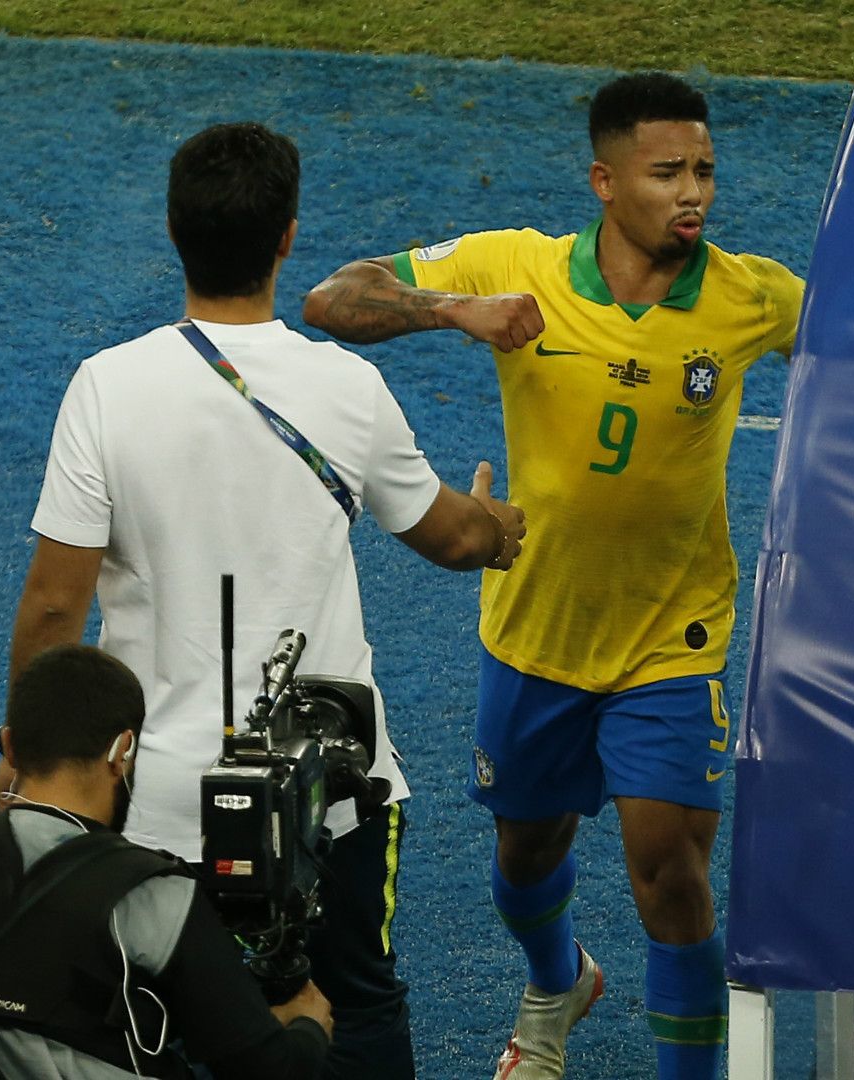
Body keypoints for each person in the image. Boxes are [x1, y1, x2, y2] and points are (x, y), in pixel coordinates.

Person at [302, 72, 805, 1080]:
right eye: (666, 172)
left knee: (671, 874)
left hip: (675, 637)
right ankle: (557, 980)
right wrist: (455, 310)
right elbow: (332, 298)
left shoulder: (751, 295)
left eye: (704, 169)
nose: (692, 191)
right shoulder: (519, 266)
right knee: (525, 860)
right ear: (604, 181)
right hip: (537, 631)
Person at [5, 121, 526, 1079]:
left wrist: (32, 762)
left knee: (154, 1019)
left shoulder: (104, 389)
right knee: (359, 1004)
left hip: (154, 800)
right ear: (287, 237)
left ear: (174, 231)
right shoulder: (348, 387)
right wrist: (501, 526)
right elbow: (452, 537)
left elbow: (51, 611)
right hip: (328, 792)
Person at [0, 644, 333, 1078]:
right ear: (122, 751)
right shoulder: (158, 894)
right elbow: (265, 1070)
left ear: (10, 746)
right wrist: (308, 1028)